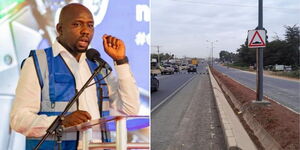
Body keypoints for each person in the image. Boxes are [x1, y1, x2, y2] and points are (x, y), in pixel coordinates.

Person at [10, 3, 140, 150]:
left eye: (90, 25)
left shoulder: (98, 67)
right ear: (60, 29)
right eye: (77, 24)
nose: (86, 31)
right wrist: (61, 122)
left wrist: (121, 61)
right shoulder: (38, 63)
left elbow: (130, 110)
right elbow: (19, 119)